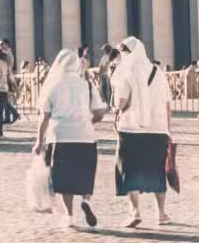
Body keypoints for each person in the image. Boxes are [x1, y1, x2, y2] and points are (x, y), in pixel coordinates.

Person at [32, 49, 99, 230]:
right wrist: (88, 120)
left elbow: (44, 117)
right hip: (85, 135)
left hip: (60, 136)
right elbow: (100, 110)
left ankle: (69, 216)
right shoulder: (87, 85)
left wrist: (39, 141)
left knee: (64, 177)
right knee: (85, 173)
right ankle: (86, 201)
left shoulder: (52, 86)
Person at [112, 36, 174, 228]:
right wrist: (168, 129)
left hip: (131, 128)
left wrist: (115, 110)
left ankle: (135, 211)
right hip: (158, 129)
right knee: (157, 171)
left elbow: (120, 102)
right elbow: (167, 104)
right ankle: (161, 213)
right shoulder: (158, 71)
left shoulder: (126, 72)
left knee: (130, 170)